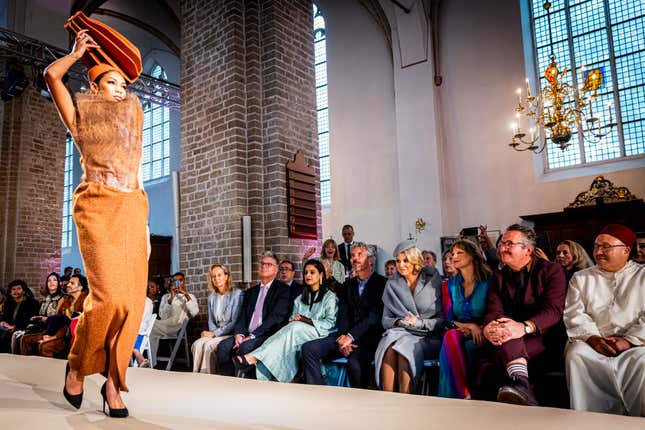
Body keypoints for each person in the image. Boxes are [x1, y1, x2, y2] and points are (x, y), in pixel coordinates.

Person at [44, 15, 149, 417]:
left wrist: (143, 226)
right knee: (106, 299)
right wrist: (76, 54)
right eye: (112, 82)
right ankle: (77, 366)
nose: (121, 89)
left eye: (124, 84)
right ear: (95, 85)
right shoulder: (82, 113)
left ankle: (113, 385)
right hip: (97, 206)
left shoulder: (134, 116)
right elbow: (52, 76)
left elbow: (138, 173)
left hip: (133, 206)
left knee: (132, 303)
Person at [479, 224, 567, 406]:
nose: (502, 248)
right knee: (505, 336)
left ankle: (522, 387)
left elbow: (553, 311)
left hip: (542, 335)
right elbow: (493, 309)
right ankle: (523, 388)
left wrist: (523, 327)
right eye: (502, 243)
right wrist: (489, 327)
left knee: (508, 338)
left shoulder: (551, 270)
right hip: (508, 334)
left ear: (527, 250)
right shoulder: (499, 276)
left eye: (509, 244)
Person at [564, 224, 645, 416]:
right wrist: (593, 338)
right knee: (576, 355)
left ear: (626, 250)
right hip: (592, 342)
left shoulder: (642, 276)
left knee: (642, 361)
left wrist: (628, 341)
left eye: (606, 247)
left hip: (636, 344)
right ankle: (587, 419)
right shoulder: (581, 278)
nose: (598, 252)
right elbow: (575, 313)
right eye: (596, 246)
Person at [235, 259, 338, 382]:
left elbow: (330, 323)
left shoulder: (329, 297)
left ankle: (255, 358)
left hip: (321, 333)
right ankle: (270, 372)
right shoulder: (300, 298)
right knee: (291, 329)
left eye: (312, 272)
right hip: (296, 333)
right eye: (306, 273)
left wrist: (305, 320)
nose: (308, 275)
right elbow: (292, 319)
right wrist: (295, 320)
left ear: (321, 275)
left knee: (295, 327)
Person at [302, 242, 387, 388]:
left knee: (355, 362)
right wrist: (343, 339)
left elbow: (374, 316)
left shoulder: (382, 283)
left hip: (368, 338)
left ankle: (359, 403)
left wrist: (351, 336)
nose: (355, 258)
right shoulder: (347, 285)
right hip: (344, 337)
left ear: (370, 260)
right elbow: (343, 315)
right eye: (353, 255)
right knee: (309, 349)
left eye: (360, 255)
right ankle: (317, 391)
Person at [374, 240, 443, 394]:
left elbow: (440, 319)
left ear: (414, 260)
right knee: (389, 346)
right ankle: (387, 399)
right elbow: (385, 320)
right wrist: (399, 321)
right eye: (398, 261)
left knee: (403, 347)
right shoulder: (392, 284)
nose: (401, 265)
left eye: (405, 260)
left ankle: (406, 400)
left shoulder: (432, 277)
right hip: (399, 332)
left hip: (427, 336)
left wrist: (418, 323)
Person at [216, 252, 290, 377]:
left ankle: (249, 385)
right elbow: (242, 316)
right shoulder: (251, 292)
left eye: (269, 264)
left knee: (246, 347)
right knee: (223, 347)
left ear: (276, 269)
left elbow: (276, 318)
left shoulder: (283, 290)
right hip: (245, 334)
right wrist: (239, 334)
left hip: (266, 335)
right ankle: (228, 382)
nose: (264, 266)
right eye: (262, 264)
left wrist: (253, 336)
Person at [438, 240, 492, 399]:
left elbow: (495, 311)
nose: (454, 256)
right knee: (451, 336)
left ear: (473, 256)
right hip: (458, 329)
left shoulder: (489, 281)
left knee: (464, 344)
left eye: (459, 253)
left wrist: (480, 327)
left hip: (485, 331)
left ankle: (460, 394)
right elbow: (447, 319)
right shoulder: (449, 285)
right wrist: (470, 326)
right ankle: (463, 393)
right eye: (453, 253)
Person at [192, 265, 243, 374]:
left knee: (208, 346)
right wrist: (210, 333)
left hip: (230, 333)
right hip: (216, 332)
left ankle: (209, 377)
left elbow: (234, 322)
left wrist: (214, 334)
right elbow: (211, 321)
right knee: (197, 344)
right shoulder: (212, 297)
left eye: (219, 275)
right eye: (213, 276)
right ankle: (196, 375)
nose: (216, 278)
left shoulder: (237, 294)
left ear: (226, 276)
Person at [149, 272, 199, 363]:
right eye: (175, 281)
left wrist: (186, 296)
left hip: (178, 327)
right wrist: (171, 298)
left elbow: (194, 313)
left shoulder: (190, 296)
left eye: (180, 280)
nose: (178, 283)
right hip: (165, 325)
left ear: (184, 282)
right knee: (150, 328)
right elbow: (163, 316)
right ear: (172, 283)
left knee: (149, 325)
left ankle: (145, 360)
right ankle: (151, 362)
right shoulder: (166, 297)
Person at [19, 273, 65, 355]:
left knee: (25, 338)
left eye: (54, 280)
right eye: (49, 280)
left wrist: (46, 318)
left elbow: (57, 317)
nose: (51, 282)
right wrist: (36, 317)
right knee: (22, 337)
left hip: (53, 329)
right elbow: (40, 313)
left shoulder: (62, 298)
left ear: (59, 283)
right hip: (41, 326)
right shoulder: (45, 298)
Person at [0, 280, 39, 353]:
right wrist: (2, 322)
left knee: (6, 336)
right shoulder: (8, 303)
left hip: (22, 328)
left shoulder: (32, 303)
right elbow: (4, 317)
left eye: (18, 289)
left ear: (24, 291)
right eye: (13, 289)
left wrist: (14, 327)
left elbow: (30, 320)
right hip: (7, 327)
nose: (15, 291)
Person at [131, 292, 154, 368]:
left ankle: (139, 356)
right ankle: (139, 356)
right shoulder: (149, 301)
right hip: (141, 333)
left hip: (136, 332)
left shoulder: (138, 300)